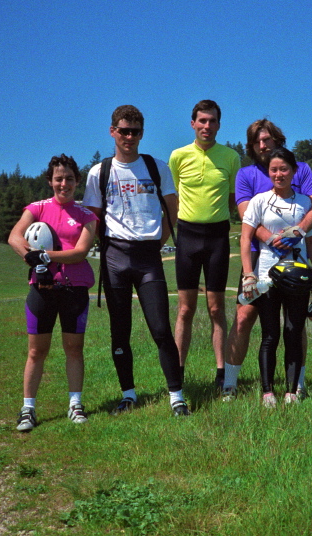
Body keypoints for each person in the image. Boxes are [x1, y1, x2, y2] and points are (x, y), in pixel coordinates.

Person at [83, 105, 190, 416]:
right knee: (120, 331)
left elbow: (173, 212)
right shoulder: (98, 172)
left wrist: (157, 245)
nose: (129, 137)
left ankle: (177, 397)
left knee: (160, 329)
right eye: (124, 130)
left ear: (143, 133)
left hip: (148, 258)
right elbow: (93, 219)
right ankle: (128, 395)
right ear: (112, 131)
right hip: (114, 256)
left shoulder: (157, 168)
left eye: (136, 131)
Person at [221, 119, 312, 401]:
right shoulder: (246, 175)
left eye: (267, 140)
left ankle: (297, 384)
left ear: (278, 140)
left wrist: (299, 231)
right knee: (244, 317)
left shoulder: (301, 169)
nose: (263, 146)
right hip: (259, 257)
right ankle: (230, 382)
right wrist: (273, 239)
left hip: (297, 261)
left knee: (295, 324)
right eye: (257, 142)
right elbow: (245, 216)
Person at [8, 154, 98, 432]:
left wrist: (44, 255)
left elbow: (80, 252)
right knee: (36, 351)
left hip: (74, 290)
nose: (64, 184)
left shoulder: (87, 216)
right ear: (50, 181)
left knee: (74, 349)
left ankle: (75, 404)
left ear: (77, 181)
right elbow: (14, 237)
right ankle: (28, 409)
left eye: (69, 178)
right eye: (58, 178)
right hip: (42, 290)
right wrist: (29, 256)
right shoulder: (36, 208)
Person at [168, 100, 241, 388]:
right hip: (187, 236)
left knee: (216, 308)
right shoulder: (178, 156)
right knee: (185, 310)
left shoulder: (231, 157)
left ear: (219, 125)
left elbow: (234, 200)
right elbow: (175, 194)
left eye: (212, 121)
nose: (206, 126)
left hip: (217, 238)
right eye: (201, 121)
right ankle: (178, 372)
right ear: (192, 124)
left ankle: (221, 375)